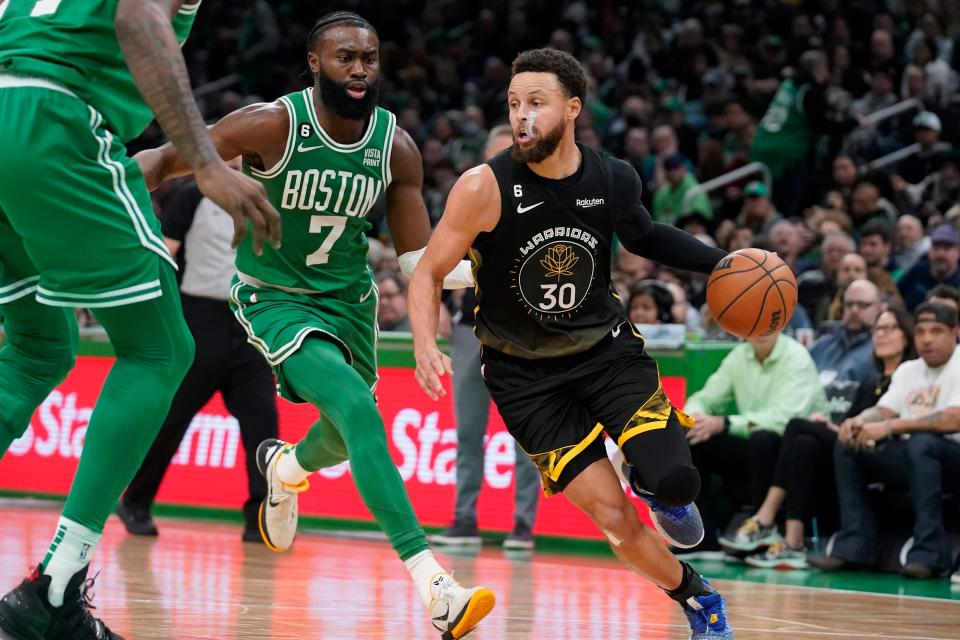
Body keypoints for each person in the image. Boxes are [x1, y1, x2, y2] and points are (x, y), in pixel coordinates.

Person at [137, 13, 493, 638]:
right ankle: (435, 584)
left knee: (339, 431)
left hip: (349, 302)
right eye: (344, 57)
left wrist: (482, 270)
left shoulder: (396, 147)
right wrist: (101, 182)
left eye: (369, 58)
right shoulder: (270, 123)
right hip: (273, 296)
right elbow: (169, 160)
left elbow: (416, 259)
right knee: (358, 409)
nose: (359, 69)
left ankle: (285, 469)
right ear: (313, 62)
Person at [408, 47, 733, 639]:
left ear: (573, 108)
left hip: (606, 354)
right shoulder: (483, 187)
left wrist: (721, 263)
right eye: (513, 104)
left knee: (677, 483)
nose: (522, 116)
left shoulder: (611, 176)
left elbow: (647, 236)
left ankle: (651, 480)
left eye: (537, 103)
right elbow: (428, 272)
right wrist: (425, 344)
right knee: (613, 520)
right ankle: (700, 600)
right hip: (524, 380)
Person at [0, 2, 281, 638]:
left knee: (36, 350)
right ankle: (54, 588)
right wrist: (206, 162)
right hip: (53, 116)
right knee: (159, 350)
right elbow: (137, 17)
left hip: (8, 109)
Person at [116, 173, 279, 542]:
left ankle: (261, 519)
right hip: (198, 318)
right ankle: (135, 501)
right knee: (172, 417)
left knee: (263, 424)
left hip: (251, 320)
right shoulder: (193, 195)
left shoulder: (275, 198)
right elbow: (163, 253)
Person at [432, 125, 542, 550]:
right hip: (468, 329)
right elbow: (437, 257)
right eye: (495, 155)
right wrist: (437, 299)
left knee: (526, 433)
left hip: (521, 333)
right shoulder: (465, 198)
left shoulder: (539, 200)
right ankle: (464, 520)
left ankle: (522, 525)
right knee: (467, 432)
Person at [810, 303, 960, 579]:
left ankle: (930, 554)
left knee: (922, 442)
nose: (927, 339)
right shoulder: (909, 370)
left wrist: (889, 427)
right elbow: (884, 409)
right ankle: (854, 547)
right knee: (848, 444)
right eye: (921, 331)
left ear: (955, 332)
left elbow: (954, 418)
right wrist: (860, 421)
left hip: (952, 456)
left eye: (936, 331)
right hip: (915, 456)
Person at [683, 330, 827, 555]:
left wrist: (725, 423)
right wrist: (693, 419)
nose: (762, 331)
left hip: (796, 452)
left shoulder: (796, 357)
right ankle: (703, 539)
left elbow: (784, 420)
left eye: (768, 324)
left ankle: (764, 529)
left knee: (764, 438)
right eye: (755, 324)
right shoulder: (739, 355)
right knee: (695, 437)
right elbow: (704, 398)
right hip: (754, 442)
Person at [898, 224, 960, 311]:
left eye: (946, 248)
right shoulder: (918, 271)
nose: (940, 254)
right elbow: (897, 296)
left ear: (958, 252)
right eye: (936, 247)